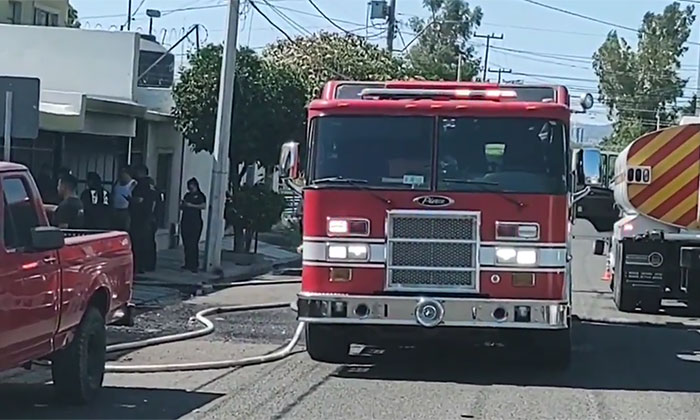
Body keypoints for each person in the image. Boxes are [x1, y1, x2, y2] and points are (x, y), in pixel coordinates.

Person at [129, 165, 158, 273]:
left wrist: (131, 200)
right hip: (151, 217)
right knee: (149, 242)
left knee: (139, 242)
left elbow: (139, 200)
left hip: (141, 218)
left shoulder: (141, 185)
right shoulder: (152, 185)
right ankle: (150, 265)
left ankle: (140, 266)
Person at [180, 177, 206, 272]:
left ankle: (194, 265)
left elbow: (203, 206)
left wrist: (191, 205)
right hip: (185, 221)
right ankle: (187, 263)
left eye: (191, 185)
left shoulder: (200, 195)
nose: (189, 188)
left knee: (193, 243)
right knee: (186, 243)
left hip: (195, 222)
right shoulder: (187, 195)